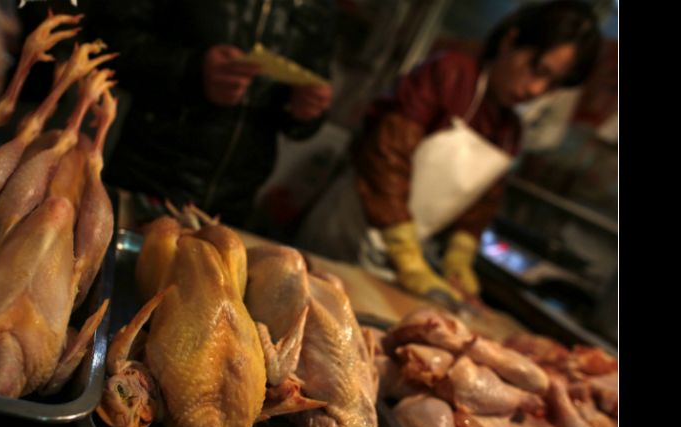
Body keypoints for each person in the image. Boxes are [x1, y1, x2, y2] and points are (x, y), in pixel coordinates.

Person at [296, 0, 601, 301]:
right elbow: (385, 155)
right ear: (511, 41)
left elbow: (481, 203)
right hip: (347, 231)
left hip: (401, 263)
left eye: (552, 84)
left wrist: (460, 254)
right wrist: (404, 249)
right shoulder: (450, 74)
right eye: (537, 69)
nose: (536, 90)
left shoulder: (510, 131)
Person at [84, 0, 336, 228]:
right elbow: (105, 40)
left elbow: (307, 108)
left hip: (232, 209)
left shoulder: (320, 6)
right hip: (145, 183)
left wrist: (306, 112)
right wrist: (192, 70)